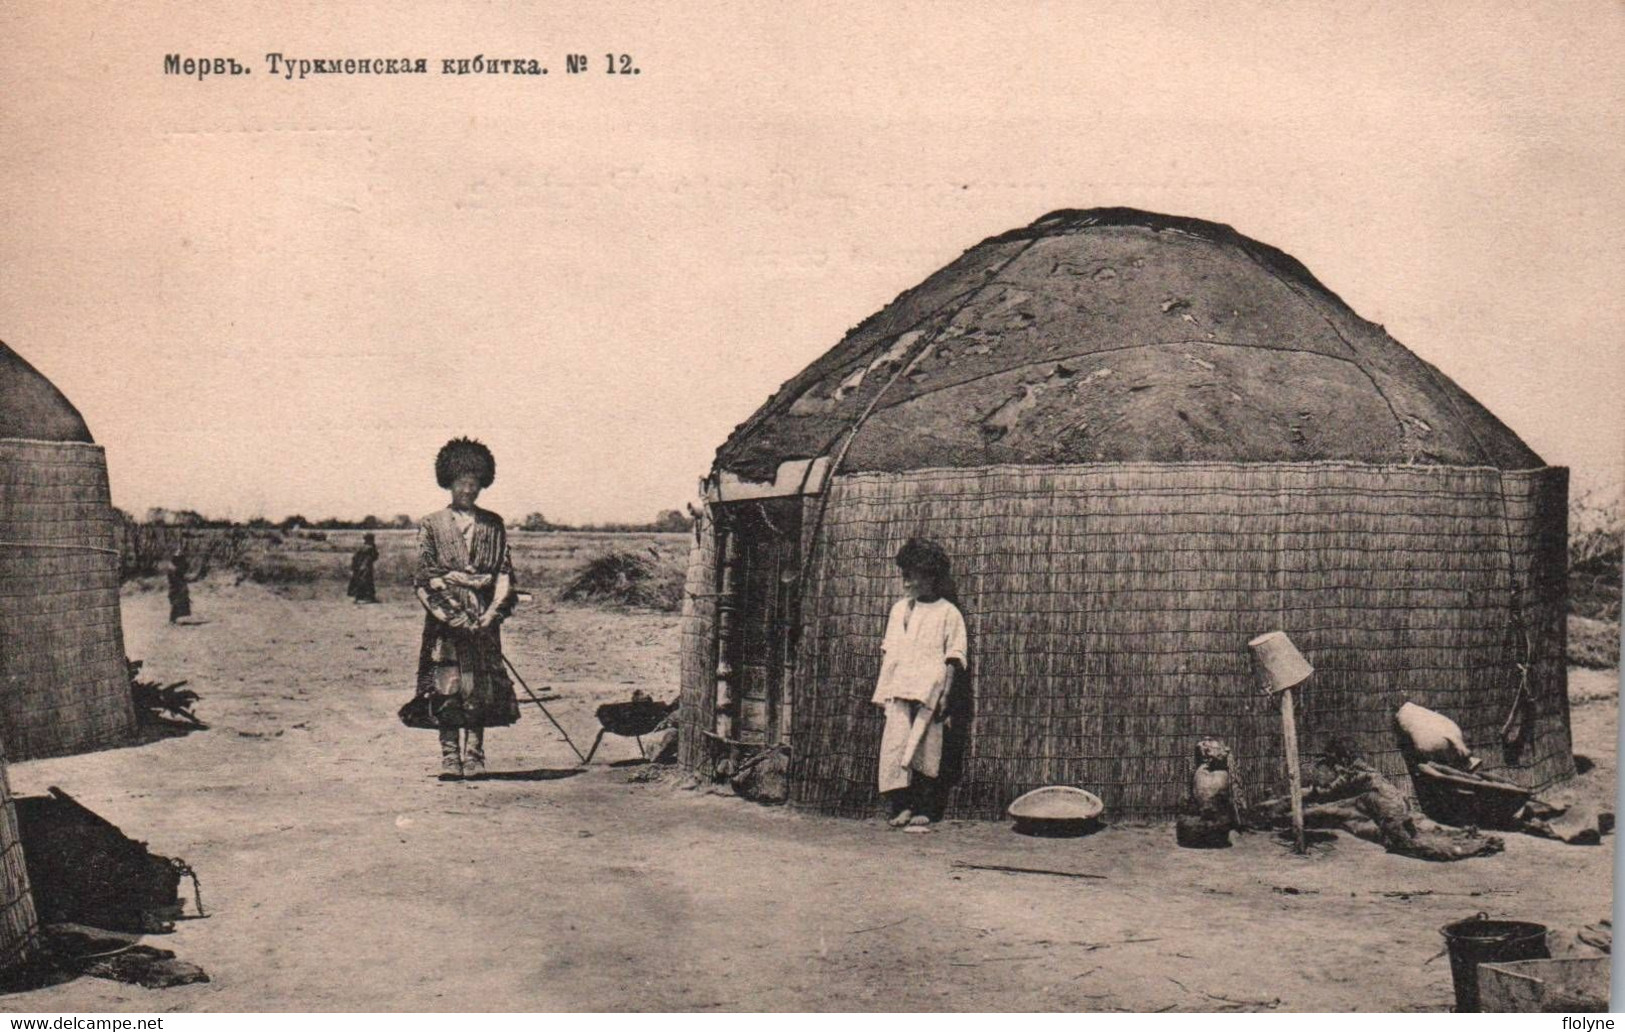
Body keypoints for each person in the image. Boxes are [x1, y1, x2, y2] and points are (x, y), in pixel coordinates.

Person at [412, 438, 520, 780]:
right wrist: (453, 616)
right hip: (445, 620)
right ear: (449, 482)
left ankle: (474, 755)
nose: (468, 490)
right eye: (461, 482)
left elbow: (504, 573)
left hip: (484, 617)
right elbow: (425, 578)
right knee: (447, 684)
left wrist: (490, 615)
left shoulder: (494, 524)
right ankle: (449, 756)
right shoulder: (431, 524)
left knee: (479, 685)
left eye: (474, 483)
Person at [871, 538, 967, 827]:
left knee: (927, 749)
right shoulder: (899, 610)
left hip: (930, 692)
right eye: (904, 575)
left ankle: (925, 808)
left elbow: (954, 657)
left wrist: (946, 695)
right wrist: (885, 691)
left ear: (930, 577)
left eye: (911, 575)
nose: (906, 581)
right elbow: (890, 651)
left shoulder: (948, 613)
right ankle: (901, 807)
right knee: (896, 746)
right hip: (900, 689)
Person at [165, 546, 206, 624]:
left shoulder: (176, 567)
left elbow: (184, 576)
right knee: (175, 603)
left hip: (179, 588)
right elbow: (179, 578)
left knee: (179, 603)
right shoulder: (173, 568)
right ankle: (172, 620)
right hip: (175, 588)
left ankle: (173, 620)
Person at [347, 532, 380, 603]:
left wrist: (353, 567)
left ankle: (359, 597)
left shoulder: (362, 547)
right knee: (367, 582)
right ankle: (369, 597)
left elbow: (354, 558)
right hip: (366, 567)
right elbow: (375, 556)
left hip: (359, 567)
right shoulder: (370, 548)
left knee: (359, 582)